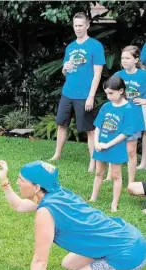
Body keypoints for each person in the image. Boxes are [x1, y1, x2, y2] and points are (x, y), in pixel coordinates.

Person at [0, 159, 146, 270]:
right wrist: (4, 182)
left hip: (127, 254)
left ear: (36, 187)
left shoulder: (46, 212)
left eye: (21, 180)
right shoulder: (56, 193)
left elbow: (40, 260)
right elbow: (19, 205)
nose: (18, 182)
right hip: (132, 239)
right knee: (69, 263)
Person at [50, 12, 105, 172]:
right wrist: (64, 68)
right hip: (68, 93)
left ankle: (93, 162)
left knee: (90, 130)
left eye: (81, 25)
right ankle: (57, 154)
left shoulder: (95, 46)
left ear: (87, 26)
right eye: (76, 25)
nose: (78, 29)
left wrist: (91, 97)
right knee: (61, 124)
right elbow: (65, 72)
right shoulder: (71, 47)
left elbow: (98, 74)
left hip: (84, 95)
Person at [89, 76, 134, 212]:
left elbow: (125, 133)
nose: (108, 97)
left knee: (116, 175)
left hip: (116, 147)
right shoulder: (106, 106)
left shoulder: (128, 109)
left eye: (111, 93)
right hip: (100, 145)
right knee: (98, 173)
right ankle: (93, 198)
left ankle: (114, 203)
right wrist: (96, 142)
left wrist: (108, 145)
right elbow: (97, 126)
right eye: (106, 93)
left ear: (121, 91)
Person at [105, 46, 146, 181]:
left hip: (135, 119)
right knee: (114, 147)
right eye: (123, 58)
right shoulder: (117, 76)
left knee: (131, 151)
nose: (124, 61)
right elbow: (109, 94)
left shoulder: (143, 75)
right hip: (118, 118)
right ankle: (110, 176)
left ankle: (131, 181)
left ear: (136, 60)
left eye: (128, 58)